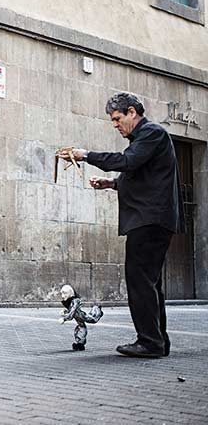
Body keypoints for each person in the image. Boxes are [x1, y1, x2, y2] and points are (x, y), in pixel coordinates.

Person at [58, 92, 183, 358]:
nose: (115, 125)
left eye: (117, 119)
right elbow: (141, 174)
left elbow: (128, 162)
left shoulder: (152, 133)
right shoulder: (145, 139)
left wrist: (86, 155)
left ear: (131, 112)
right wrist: (111, 183)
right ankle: (158, 341)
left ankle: (150, 342)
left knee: (140, 281)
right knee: (149, 282)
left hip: (150, 219)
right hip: (151, 218)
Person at [59, 284, 104, 351]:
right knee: (81, 328)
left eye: (65, 293)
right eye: (61, 293)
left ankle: (98, 310)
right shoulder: (69, 301)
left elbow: (72, 313)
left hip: (82, 316)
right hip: (78, 318)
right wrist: (65, 312)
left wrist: (64, 318)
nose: (62, 296)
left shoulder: (75, 301)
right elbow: (71, 310)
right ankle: (80, 343)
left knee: (93, 319)